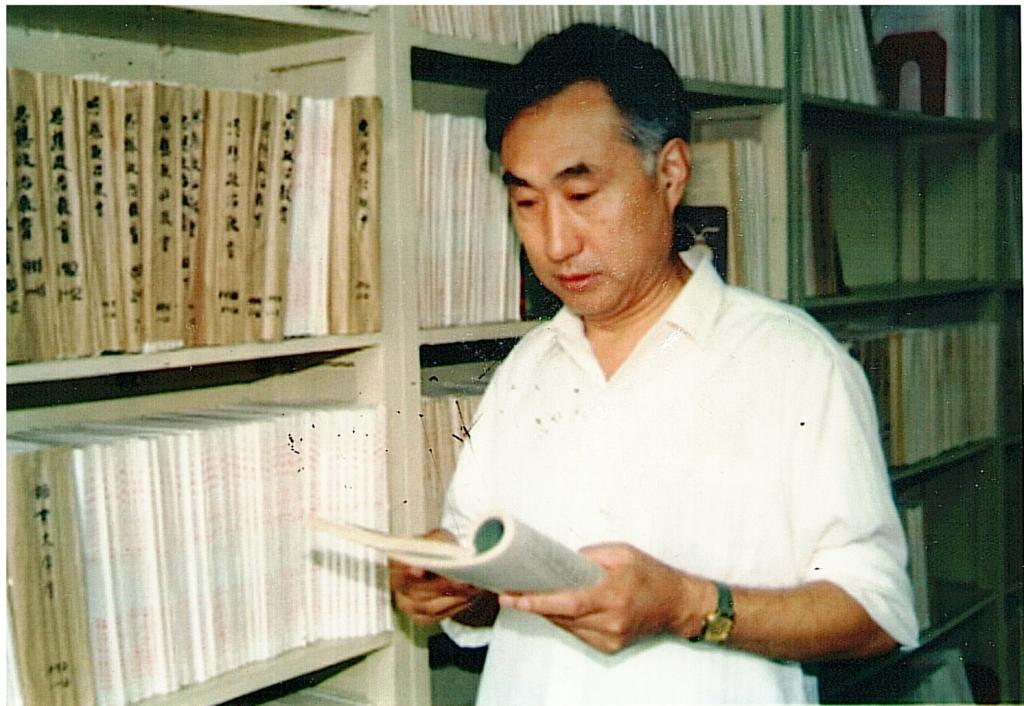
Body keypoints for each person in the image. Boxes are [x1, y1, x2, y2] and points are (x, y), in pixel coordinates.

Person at [391, 24, 918, 704]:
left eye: (582, 196)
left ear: (670, 172)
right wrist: (455, 589)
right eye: (526, 203)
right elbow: (498, 596)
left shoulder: (794, 362)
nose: (555, 242)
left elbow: (877, 614)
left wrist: (686, 606)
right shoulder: (528, 368)